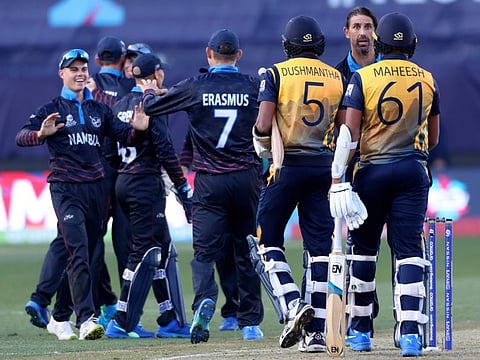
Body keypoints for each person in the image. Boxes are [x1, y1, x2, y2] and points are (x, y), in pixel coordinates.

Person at [140, 28, 264, 343]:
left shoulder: (196, 86)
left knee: (205, 253)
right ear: (239, 55)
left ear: (208, 55)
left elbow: (152, 110)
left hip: (210, 181)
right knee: (247, 248)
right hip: (247, 178)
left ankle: (205, 300)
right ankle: (250, 322)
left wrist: (150, 90)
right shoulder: (253, 86)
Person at [16, 48, 149, 340]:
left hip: (96, 190)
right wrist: (40, 134)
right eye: (73, 69)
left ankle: (60, 316)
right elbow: (21, 136)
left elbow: (124, 136)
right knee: (77, 250)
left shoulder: (98, 110)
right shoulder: (52, 108)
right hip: (65, 188)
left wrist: (138, 131)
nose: (80, 74)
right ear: (61, 74)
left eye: (83, 68)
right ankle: (86, 318)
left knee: (86, 255)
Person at [329, 12, 440, 357]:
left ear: (378, 42)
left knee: (363, 250)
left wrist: (337, 179)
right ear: (412, 44)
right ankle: (410, 335)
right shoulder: (428, 79)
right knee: (408, 251)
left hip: (371, 172)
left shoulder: (362, 78)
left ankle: (360, 332)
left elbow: (349, 134)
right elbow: (433, 138)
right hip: (412, 173)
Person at [248, 15, 346, 352]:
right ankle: (317, 333)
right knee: (318, 251)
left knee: (265, 242)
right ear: (319, 45)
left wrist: (262, 141)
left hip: (286, 165)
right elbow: (346, 128)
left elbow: (263, 123)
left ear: (287, 45)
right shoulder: (336, 76)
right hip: (323, 167)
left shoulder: (274, 73)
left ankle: (292, 303)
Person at [105, 53, 193, 339]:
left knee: (162, 249)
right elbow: (165, 149)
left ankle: (169, 317)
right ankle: (120, 319)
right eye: (161, 72)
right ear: (155, 75)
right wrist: (183, 188)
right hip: (145, 184)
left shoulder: (118, 104)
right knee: (143, 252)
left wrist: (124, 172)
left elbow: (108, 150)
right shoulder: (152, 103)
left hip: (125, 182)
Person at [334, 6, 382, 338]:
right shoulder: (335, 77)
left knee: (401, 243)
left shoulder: (391, 72)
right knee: (355, 246)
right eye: (356, 26)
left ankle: (403, 317)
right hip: (349, 175)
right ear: (346, 32)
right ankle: (360, 315)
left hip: (384, 168)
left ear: (375, 33)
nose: (362, 32)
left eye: (367, 26)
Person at [179, 130, 240, 332]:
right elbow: (188, 145)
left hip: (235, 183)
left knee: (235, 251)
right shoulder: (201, 112)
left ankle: (237, 311)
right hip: (212, 186)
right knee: (217, 251)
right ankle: (226, 311)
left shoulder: (241, 107)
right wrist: (180, 174)